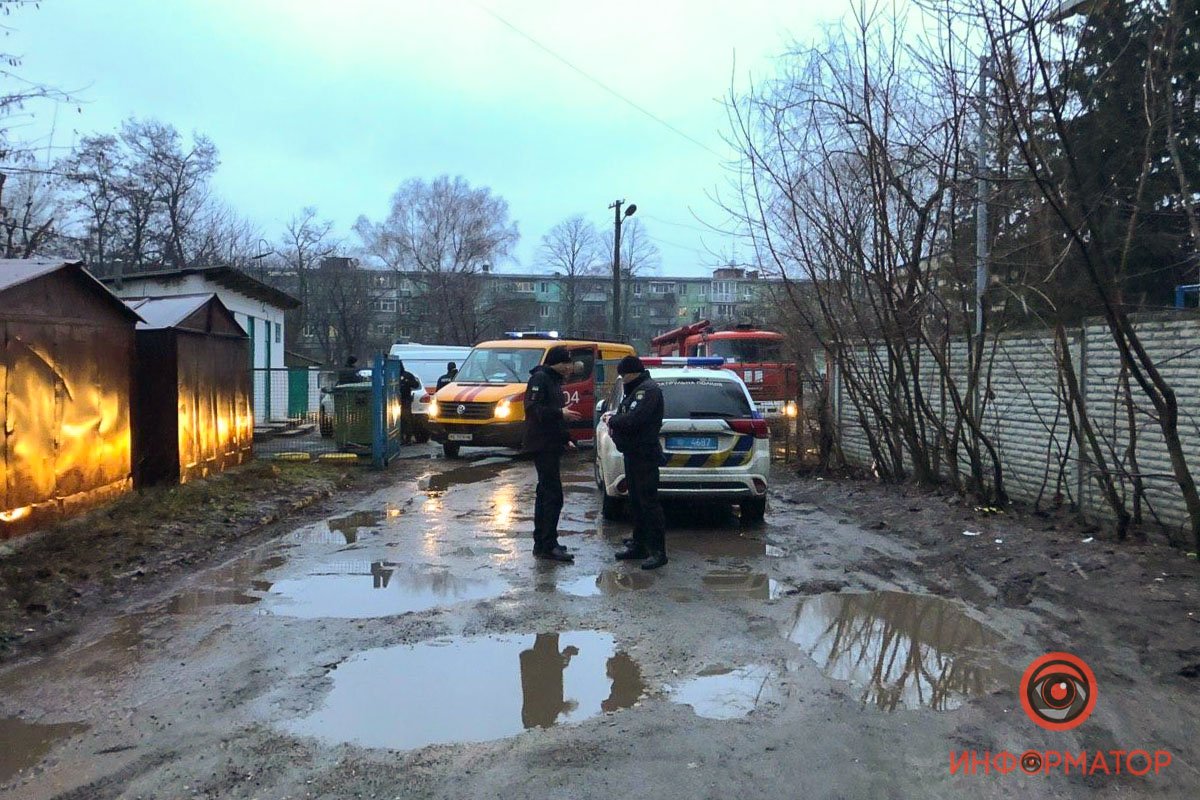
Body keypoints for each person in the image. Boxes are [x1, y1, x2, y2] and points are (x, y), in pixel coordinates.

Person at [607, 355, 668, 570]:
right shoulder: (636, 390)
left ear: (633, 373)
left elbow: (634, 419)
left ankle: (658, 551)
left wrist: (612, 420)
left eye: (624, 375)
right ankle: (639, 544)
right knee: (636, 502)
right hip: (633, 453)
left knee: (648, 503)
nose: (623, 379)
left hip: (645, 454)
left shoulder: (647, 391)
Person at [522, 345, 580, 563]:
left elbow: (555, 417)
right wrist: (560, 413)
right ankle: (547, 545)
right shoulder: (540, 379)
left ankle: (545, 542)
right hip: (542, 444)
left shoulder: (554, 381)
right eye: (566, 363)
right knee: (552, 496)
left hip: (551, 443)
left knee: (547, 494)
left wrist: (566, 438)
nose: (569, 368)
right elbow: (533, 409)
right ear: (556, 363)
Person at [396, 360, 422, 444]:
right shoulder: (392, 375)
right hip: (394, 401)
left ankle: (407, 439)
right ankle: (399, 438)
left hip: (405, 401)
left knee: (406, 420)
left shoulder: (407, 375)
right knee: (396, 420)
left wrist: (408, 382)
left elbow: (416, 385)